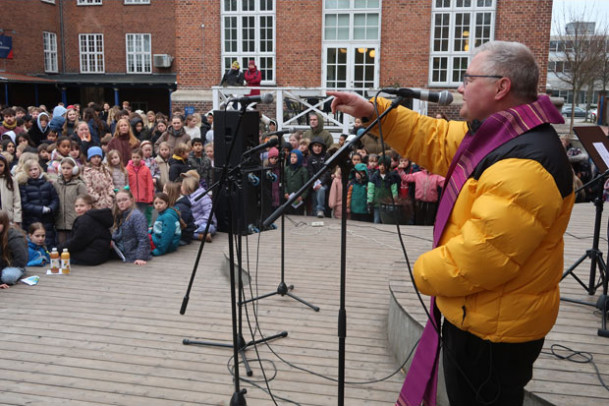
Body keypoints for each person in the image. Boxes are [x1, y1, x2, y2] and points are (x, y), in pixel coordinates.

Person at [328, 41, 575, 406]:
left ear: (501, 87)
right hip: (482, 316)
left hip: (495, 333)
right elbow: (437, 140)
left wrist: (421, 271)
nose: (459, 87)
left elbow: (481, 256)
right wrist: (374, 112)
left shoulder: (526, 163)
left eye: (468, 78)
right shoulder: (501, 135)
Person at [58, 194, 113, 265]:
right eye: (76, 206)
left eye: (82, 206)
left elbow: (77, 242)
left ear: (89, 207)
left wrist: (58, 249)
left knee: (61, 257)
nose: (78, 208)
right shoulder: (95, 217)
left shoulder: (85, 220)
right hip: (102, 254)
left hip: (92, 256)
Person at [19, 159, 59, 248]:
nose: (33, 172)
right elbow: (24, 204)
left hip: (47, 219)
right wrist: (41, 209)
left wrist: (50, 208)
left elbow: (55, 199)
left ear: (39, 169)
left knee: (48, 241)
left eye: (35, 169)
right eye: (30, 170)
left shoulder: (47, 184)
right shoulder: (24, 185)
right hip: (31, 220)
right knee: (33, 242)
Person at [53, 157, 88, 245]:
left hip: (74, 221)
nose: (65, 171)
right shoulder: (56, 184)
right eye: (63, 168)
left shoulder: (79, 185)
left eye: (68, 168)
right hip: (60, 222)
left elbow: (84, 202)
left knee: (74, 244)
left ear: (75, 169)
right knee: (61, 245)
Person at [112, 189, 151, 265]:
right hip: (121, 250)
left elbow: (143, 238)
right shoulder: (120, 215)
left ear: (132, 200)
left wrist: (140, 257)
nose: (121, 203)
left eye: (124, 200)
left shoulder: (137, 216)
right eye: (119, 201)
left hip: (132, 254)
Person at [366, 155, 400, 224]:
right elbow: (370, 190)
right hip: (377, 203)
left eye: (384, 165)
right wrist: (369, 201)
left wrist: (395, 200)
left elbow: (394, 190)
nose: (382, 167)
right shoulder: (374, 177)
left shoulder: (391, 177)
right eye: (380, 165)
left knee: (386, 221)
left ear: (387, 166)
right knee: (377, 220)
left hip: (387, 203)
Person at [183, 175, 216, 242]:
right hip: (193, 224)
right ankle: (201, 236)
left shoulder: (203, 196)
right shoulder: (187, 196)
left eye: (182, 186)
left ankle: (197, 234)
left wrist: (196, 224)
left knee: (204, 228)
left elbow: (209, 215)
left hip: (205, 224)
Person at [126, 148, 154, 225]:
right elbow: (126, 184)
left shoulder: (146, 169)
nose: (135, 159)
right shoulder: (127, 169)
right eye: (133, 157)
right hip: (132, 198)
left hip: (143, 198)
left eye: (137, 157)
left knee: (142, 216)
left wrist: (150, 198)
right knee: (132, 216)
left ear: (141, 157)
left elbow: (150, 184)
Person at [0, 211, 28, 288]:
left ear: (5, 224)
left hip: (13, 265)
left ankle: (21, 272)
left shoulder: (14, 237)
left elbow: (21, 259)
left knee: (8, 276)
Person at [150, 192, 181, 256]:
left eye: (161, 203)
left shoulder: (167, 217)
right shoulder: (162, 214)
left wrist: (160, 250)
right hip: (159, 239)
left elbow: (167, 235)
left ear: (166, 204)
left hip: (167, 245)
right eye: (156, 203)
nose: (158, 205)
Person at [307, 137, 330, 218]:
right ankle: (314, 212)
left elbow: (327, 171)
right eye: (315, 146)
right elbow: (310, 172)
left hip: (324, 182)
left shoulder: (326, 156)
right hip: (313, 182)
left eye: (319, 146)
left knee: (321, 189)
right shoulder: (310, 158)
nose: (317, 148)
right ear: (312, 147)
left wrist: (321, 182)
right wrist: (315, 182)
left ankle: (320, 209)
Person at [284, 149, 308, 215]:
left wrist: (302, 196)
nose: (292, 159)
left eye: (295, 157)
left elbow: (306, 185)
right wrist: (285, 192)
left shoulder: (303, 170)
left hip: (298, 199)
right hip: (288, 197)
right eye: (291, 157)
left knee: (298, 214)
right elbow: (284, 182)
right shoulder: (286, 169)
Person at [0, 154, 21, 226]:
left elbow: (16, 200)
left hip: (9, 218)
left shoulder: (11, 180)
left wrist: (17, 219)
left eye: (1, 165)